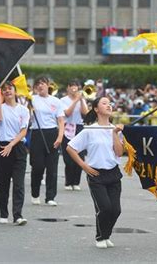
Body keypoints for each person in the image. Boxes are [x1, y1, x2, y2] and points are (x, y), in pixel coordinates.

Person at [66, 97, 124, 249]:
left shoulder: (115, 129)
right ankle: (100, 237)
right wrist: (84, 166)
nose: (109, 105)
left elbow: (119, 152)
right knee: (105, 208)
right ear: (96, 109)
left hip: (113, 173)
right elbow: (70, 148)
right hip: (96, 174)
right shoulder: (89, 130)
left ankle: (106, 235)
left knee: (116, 210)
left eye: (110, 103)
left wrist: (115, 134)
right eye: (104, 103)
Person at [0, 81, 30, 225]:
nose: (7, 91)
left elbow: (23, 131)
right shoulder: (0, 107)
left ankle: (18, 215)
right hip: (3, 147)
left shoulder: (24, 110)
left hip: (18, 147)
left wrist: (12, 144)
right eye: (4, 89)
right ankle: (3, 214)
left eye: (10, 88)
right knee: (3, 183)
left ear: (15, 91)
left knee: (18, 183)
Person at [29, 76, 64, 206]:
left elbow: (60, 121)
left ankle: (50, 197)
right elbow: (27, 118)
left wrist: (60, 137)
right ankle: (35, 193)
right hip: (37, 133)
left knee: (52, 168)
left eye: (42, 83)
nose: (40, 86)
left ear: (48, 85)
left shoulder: (56, 101)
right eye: (37, 84)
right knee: (37, 166)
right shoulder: (31, 99)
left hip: (52, 133)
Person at [60, 80, 88, 191]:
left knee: (80, 155)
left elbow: (85, 113)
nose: (74, 88)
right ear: (68, 88)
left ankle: (76, 182)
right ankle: (68, 182)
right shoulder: (63, 100)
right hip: (67, 127)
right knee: (68, 157)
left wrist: (81, 100)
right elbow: (67, 113)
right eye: (72, 86)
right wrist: (76, 100)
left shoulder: (82, 99)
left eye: (76, 86)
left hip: (79, 127)